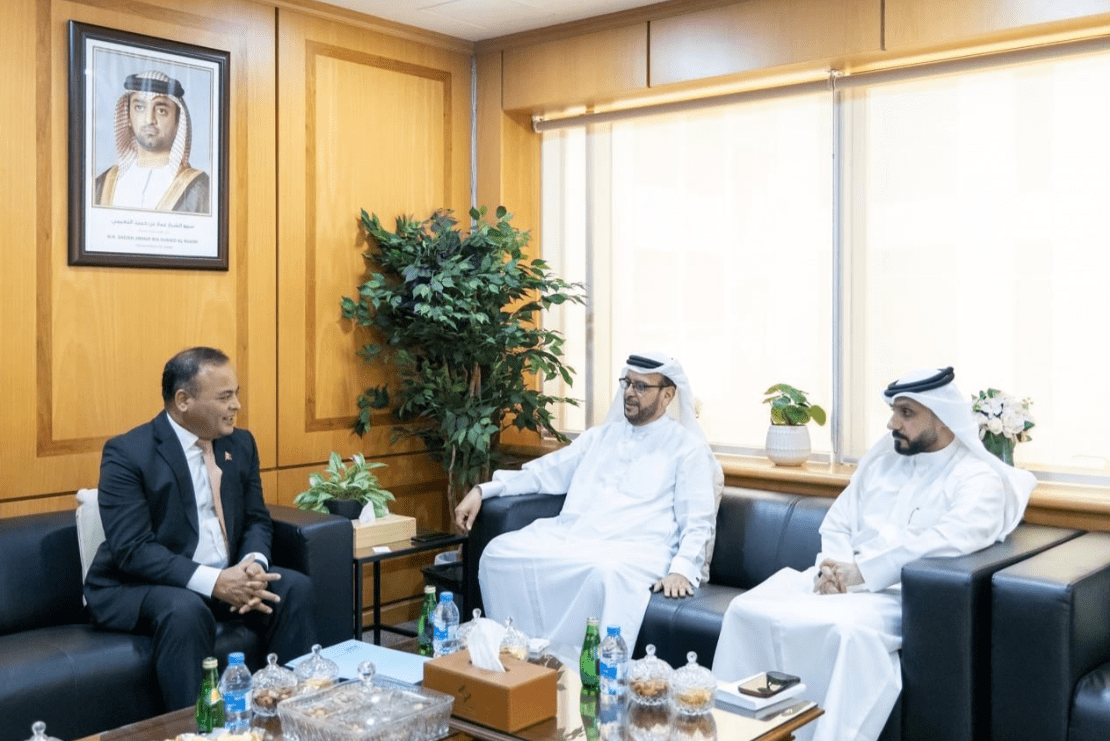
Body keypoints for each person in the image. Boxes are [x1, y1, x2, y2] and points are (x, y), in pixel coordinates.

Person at [711, 367, 1036, 741]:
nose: (892, 423)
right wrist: (832, 569)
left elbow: (946, 540)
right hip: (835, 584)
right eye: (894, 411)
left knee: (843, 632)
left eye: (906, 413)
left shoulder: (977, 478)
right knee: (746, 610)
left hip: (896, 596)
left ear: (943, 417)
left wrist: (861, 574)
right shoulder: (882, 460)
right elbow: (838, 523)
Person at [84, 347, 316, 711]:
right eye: (224, 397)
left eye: (236, 393)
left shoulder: (241, 443)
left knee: (293, 588)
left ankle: (293, 713)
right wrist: (216, 582)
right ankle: (196, 729)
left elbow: (256, 518)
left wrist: (253, 566)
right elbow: (133, 549)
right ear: (183, 400)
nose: (236, 405)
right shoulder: (128, 453)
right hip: (140, 584)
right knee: (185, 610)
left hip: (225, 576)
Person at [454, 352, 721, 663]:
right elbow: (543, 473)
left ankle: (584, 668)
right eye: (627, 383)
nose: (630, 392)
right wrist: (484, 490)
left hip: (641, 548)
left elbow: (698, 520)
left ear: (668, 395)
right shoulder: (599, 437)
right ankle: (519, 657)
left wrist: (681, 569)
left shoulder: (687, 448)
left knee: (604, 573)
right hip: (577, 536)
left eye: (641, 386)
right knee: (499, 553)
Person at [94, 70, 210, 213]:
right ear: (128, 116)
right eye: (140, 108)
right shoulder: (102, 184)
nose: (149, 119)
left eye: (161, 110)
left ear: (178, 121)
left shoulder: (200, 188)